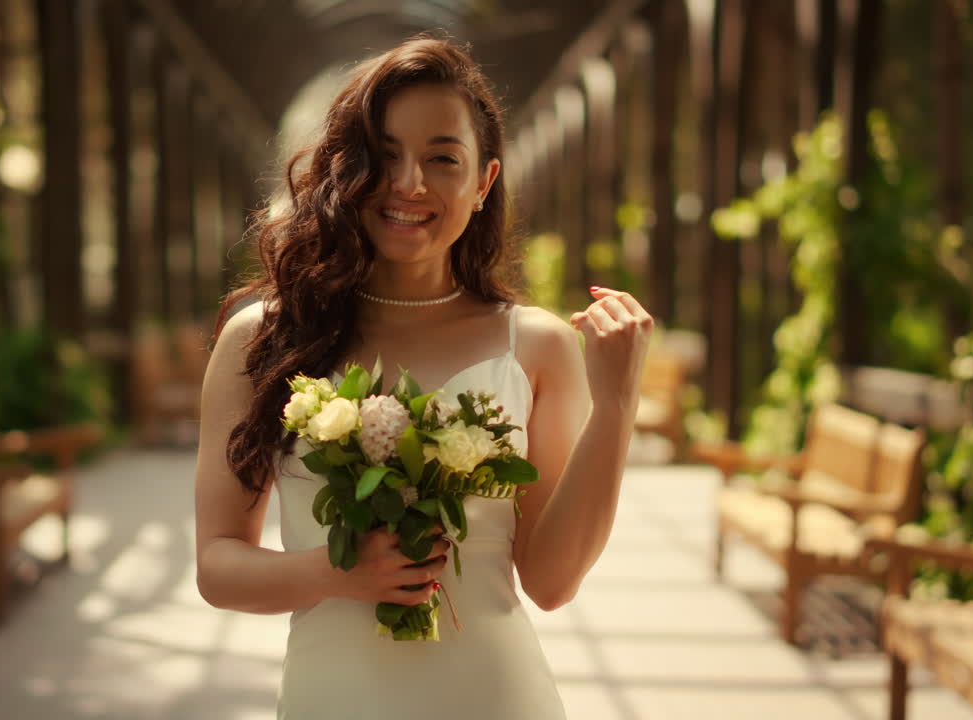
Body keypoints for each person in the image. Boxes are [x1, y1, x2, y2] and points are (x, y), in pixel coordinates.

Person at [194, 35, 653, 719]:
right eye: (384, 156)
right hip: (333, 698)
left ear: (484, 182)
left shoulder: (537, 346)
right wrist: (337, 571)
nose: (409, 183)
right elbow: (218, 566)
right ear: (344, 169)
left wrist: (616, 404)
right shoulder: (263, 339)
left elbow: (553, 583)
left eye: (442, 158)